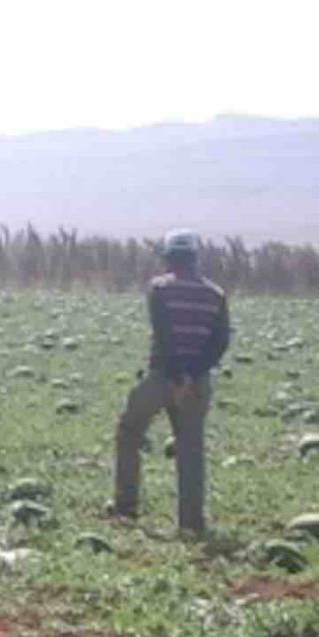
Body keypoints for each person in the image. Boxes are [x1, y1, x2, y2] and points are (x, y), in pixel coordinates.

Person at [112, 228, 231, 534]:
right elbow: (220, 343)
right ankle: (191, 523)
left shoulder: (160, 288)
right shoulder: (216, 294)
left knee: (129, 432)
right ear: (195, 258)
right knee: (190, 449)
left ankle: (126, 506)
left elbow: (163, 334)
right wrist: (192, 375)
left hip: (162, 377)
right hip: (197, 383)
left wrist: (178, 375)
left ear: (168, 257)